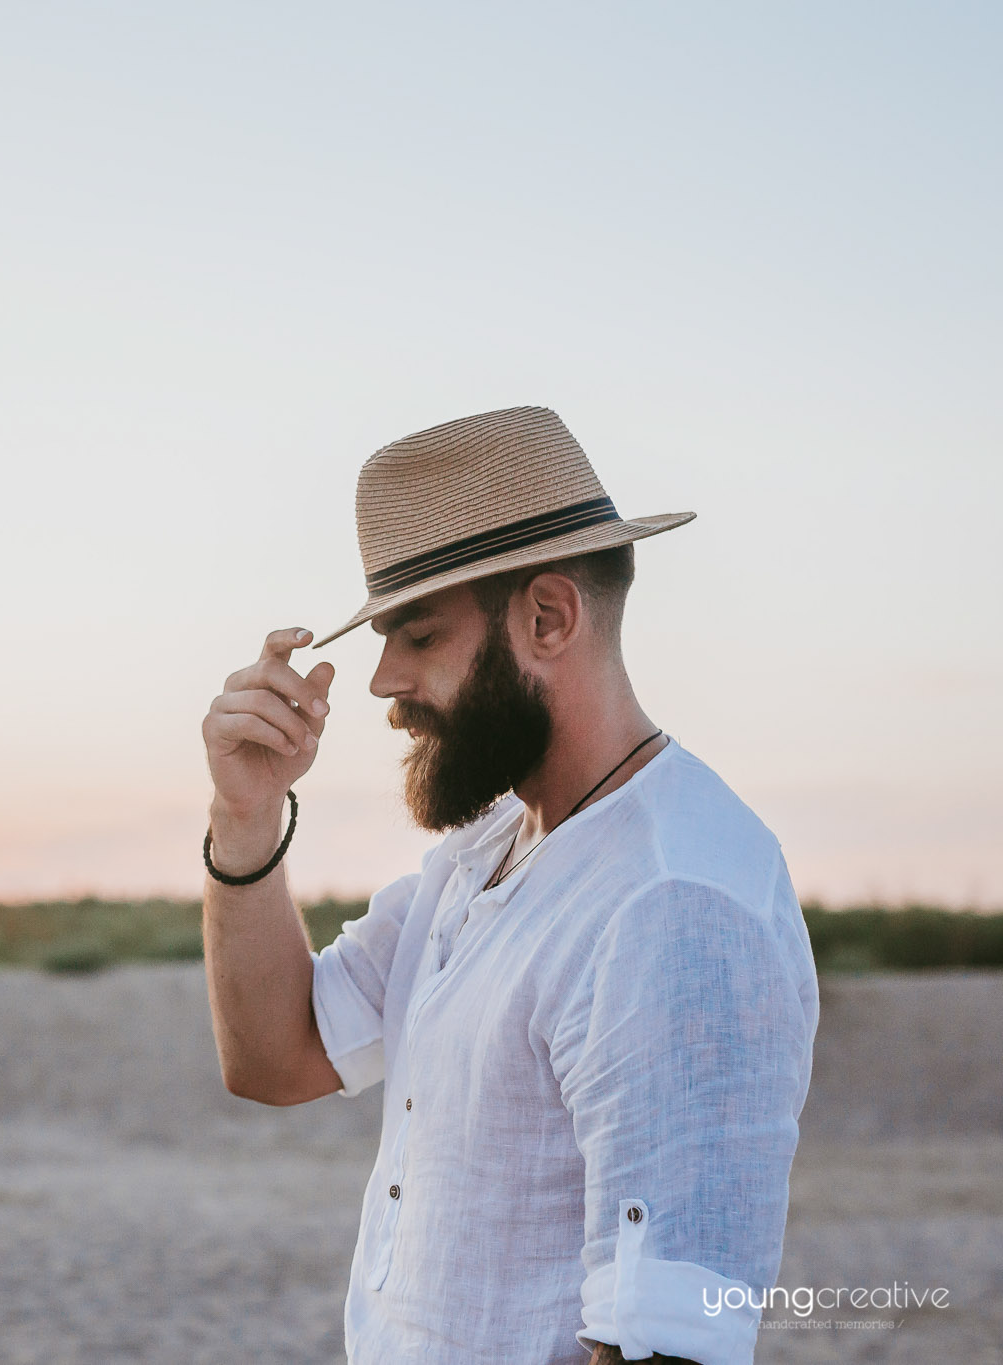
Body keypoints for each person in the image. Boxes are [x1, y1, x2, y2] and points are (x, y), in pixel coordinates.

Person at [199, 407, 817, 1365]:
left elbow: (666, 1345)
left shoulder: (673, 902)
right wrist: (244, 815)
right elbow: (276, 1057)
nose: (381, 680)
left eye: (418, 635)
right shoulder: (484, 847)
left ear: (548, 617)